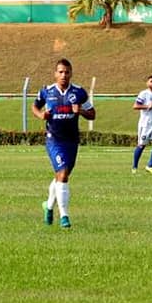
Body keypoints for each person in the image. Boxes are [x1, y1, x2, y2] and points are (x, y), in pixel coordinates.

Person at [32, 58, 96, 229]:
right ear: (55, 74)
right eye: (60, 72)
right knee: (63, 174)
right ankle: (64, 216)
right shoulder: (46, 92)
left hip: (72, 141)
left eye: (67, 72)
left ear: (71, 73)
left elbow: (92, 114)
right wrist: (41, 115)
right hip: (54, 140)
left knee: (61, 176)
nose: (63, 75)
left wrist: (81, 111)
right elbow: (35, 107)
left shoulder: (79, 93)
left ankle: (49, 206)